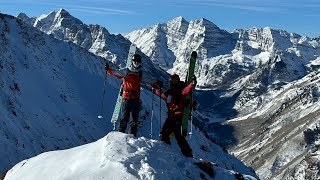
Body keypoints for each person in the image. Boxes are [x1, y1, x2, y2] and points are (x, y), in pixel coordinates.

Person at [151, 73, 196, 157]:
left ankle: (187, 152)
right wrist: (156, 86)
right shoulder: (169, 92)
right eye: (172, 81)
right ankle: (169, 150)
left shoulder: (180, 90)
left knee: (176, 134)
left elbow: (186, 90)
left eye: (175, 80)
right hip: (171, 116)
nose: (173, 82)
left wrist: (192, 84)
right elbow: (161, 94)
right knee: (165, 133)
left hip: (178, 116)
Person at [104, 54, 142, 137]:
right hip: (127, 98)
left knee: (134, 120)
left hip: (135, 99)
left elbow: (149, 80)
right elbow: (116, 72)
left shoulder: (140, 72)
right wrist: (108, 70)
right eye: (135, 61)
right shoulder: (126, 71)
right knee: (124, 118)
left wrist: (156, 83)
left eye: (138, 62)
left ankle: (132, 137)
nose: (136, 63)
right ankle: (120, 136)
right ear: (132, 61)